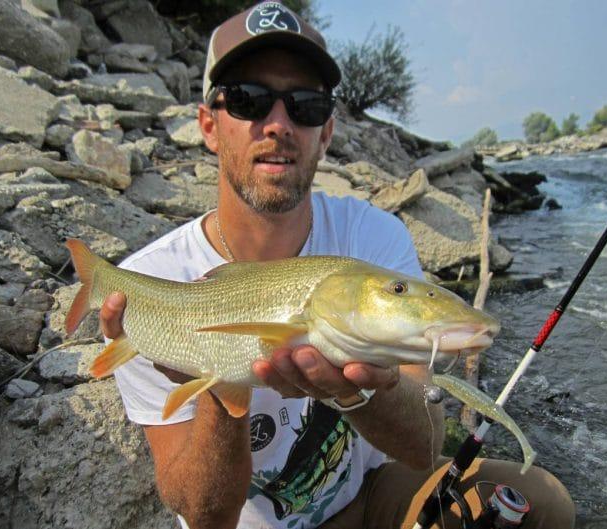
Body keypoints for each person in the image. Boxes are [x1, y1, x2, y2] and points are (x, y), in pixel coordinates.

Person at [99, 3, 575, 528]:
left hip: (366, 499)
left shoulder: (373, 237)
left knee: (543, 501)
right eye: (249, 100)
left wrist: (364, 390)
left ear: (325, 133)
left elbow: (424, 446)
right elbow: (206, 515)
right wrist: (217, 383)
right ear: (210, 127)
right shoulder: (146, 286)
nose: (278, 124)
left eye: (304, 105)